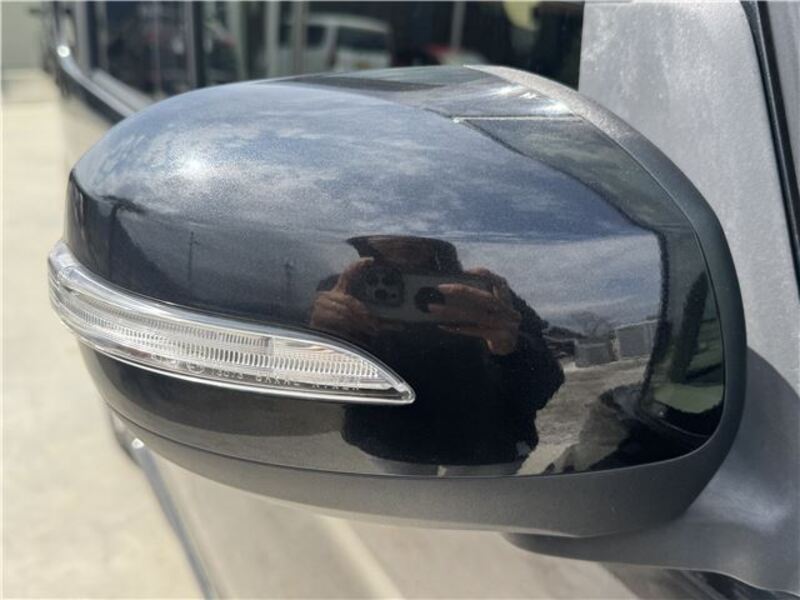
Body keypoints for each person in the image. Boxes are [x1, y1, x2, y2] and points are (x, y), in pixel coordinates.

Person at [310, 235, 564, 474]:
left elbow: (546, 384)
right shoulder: (344, 294)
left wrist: (511, 347)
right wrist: (324, 340)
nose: (404, 239)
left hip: (487, 448)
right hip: (388, 443)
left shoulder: (488, 296)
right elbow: (320, 387)